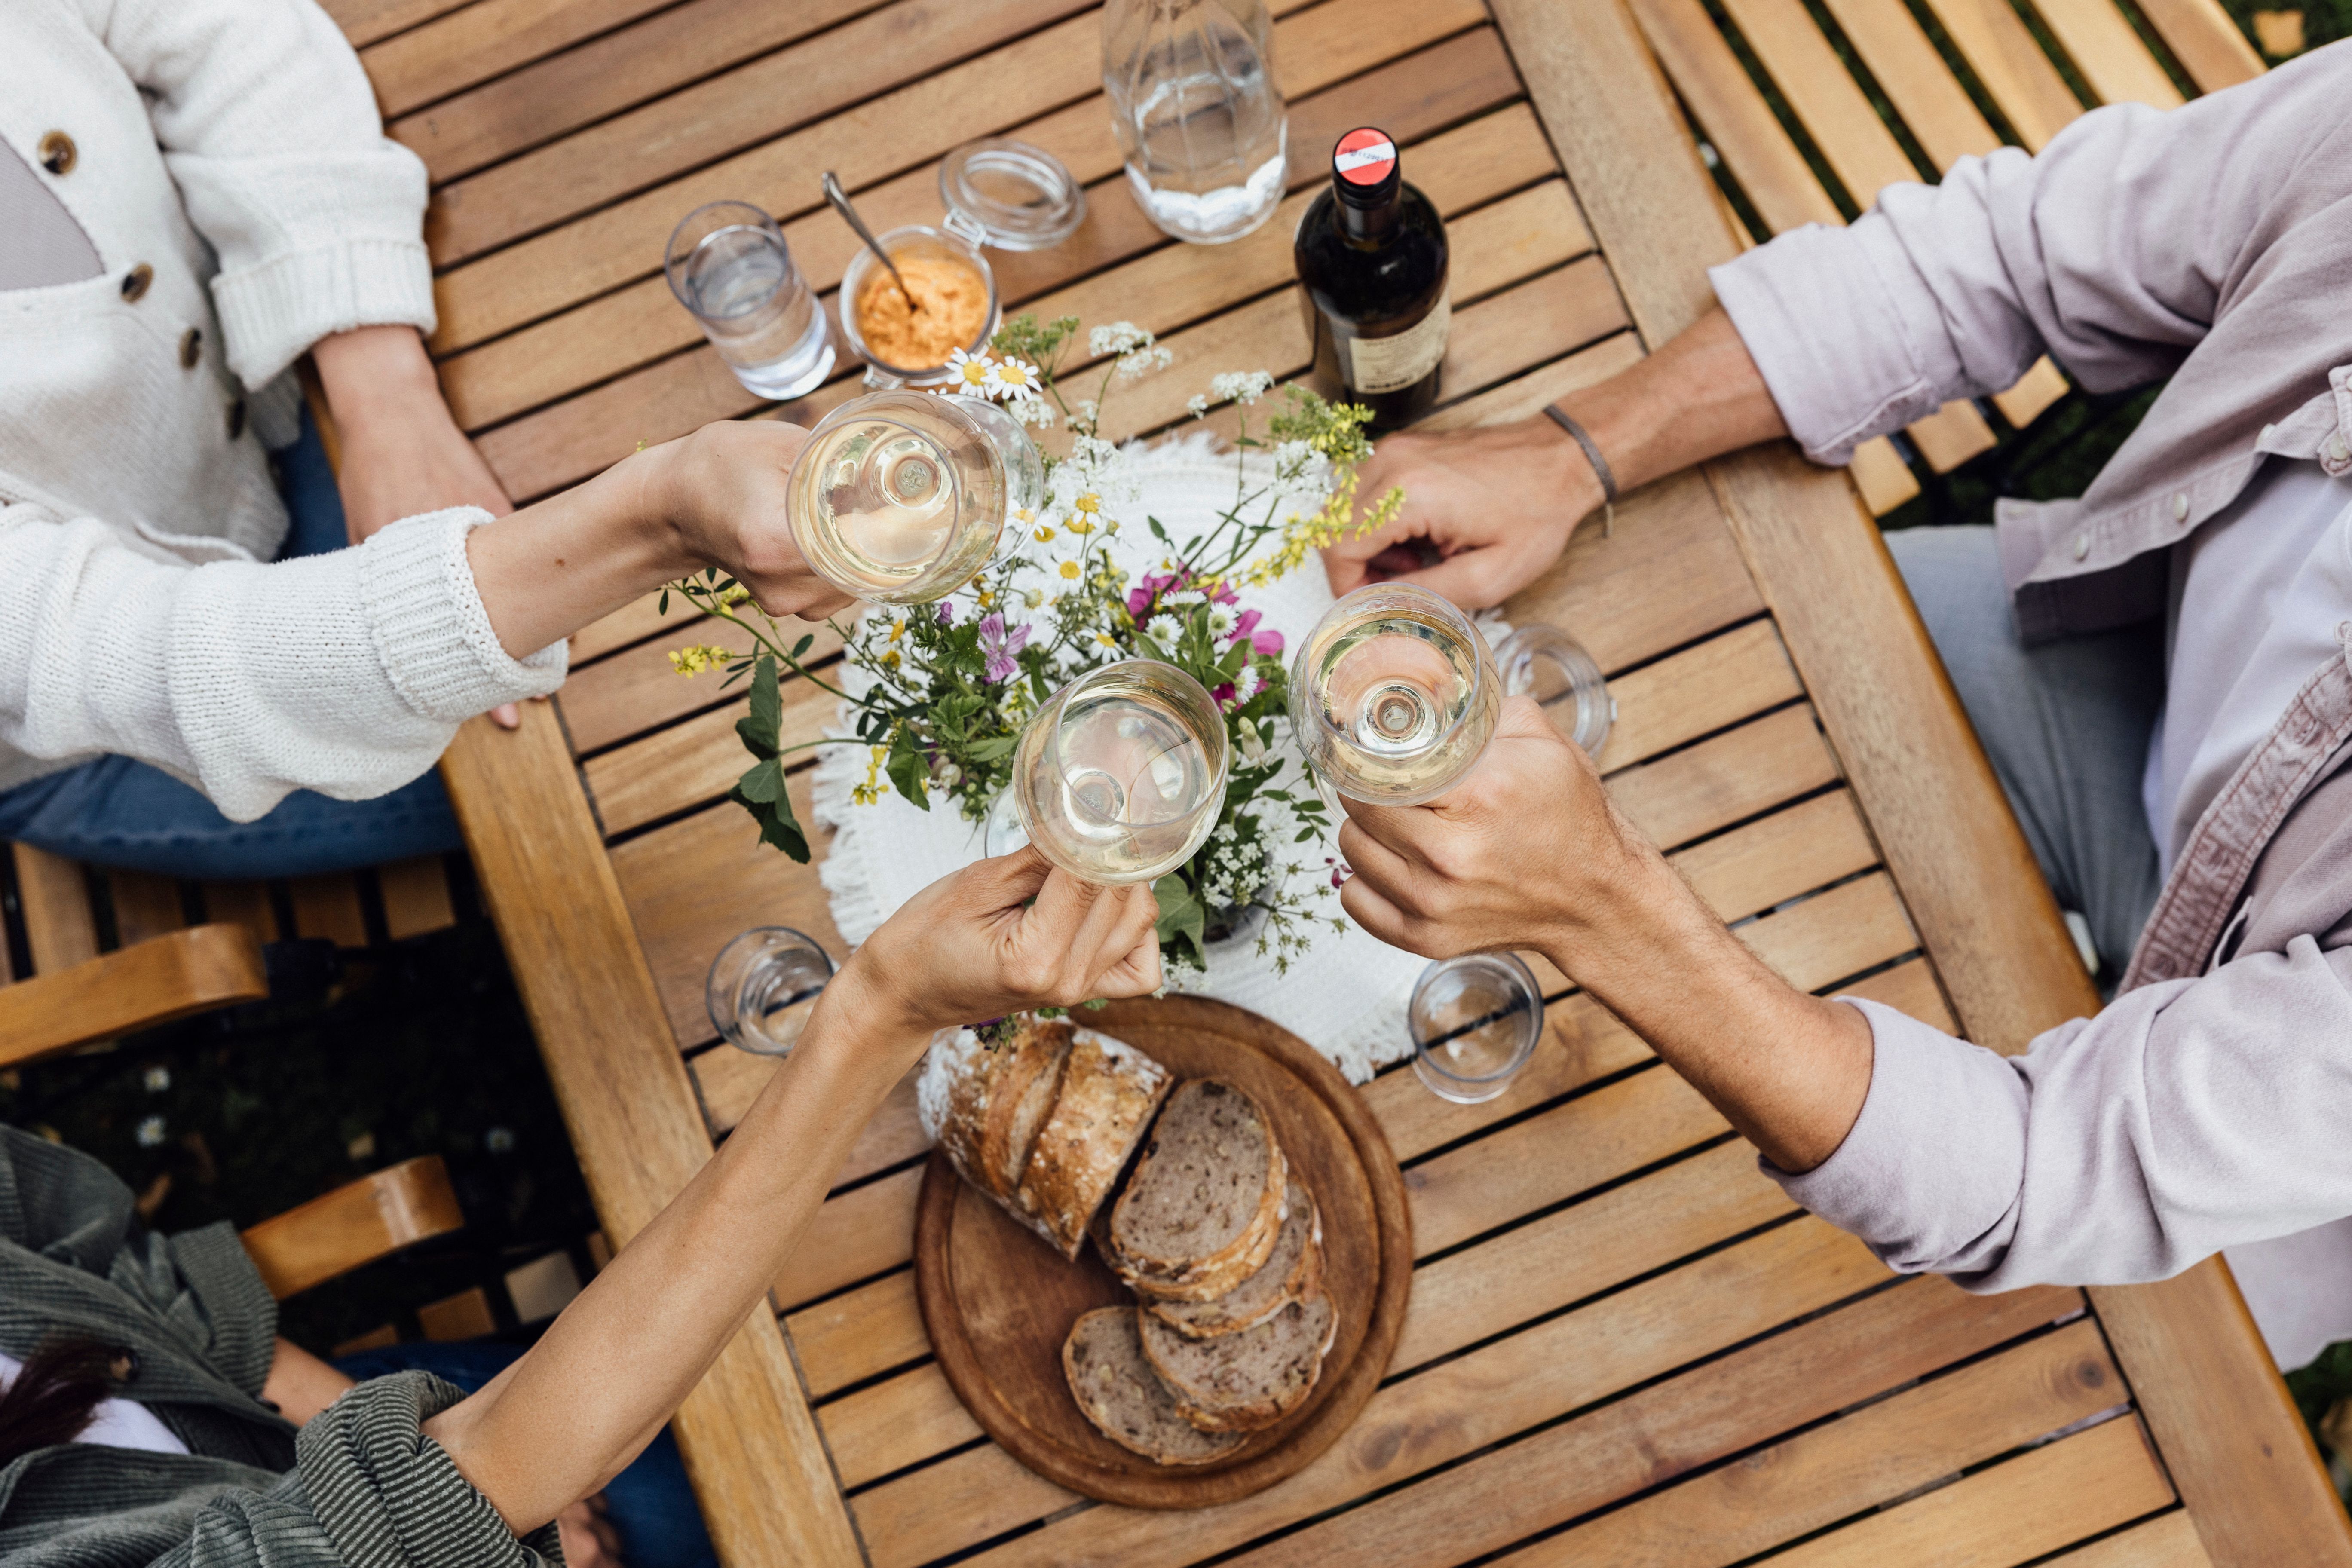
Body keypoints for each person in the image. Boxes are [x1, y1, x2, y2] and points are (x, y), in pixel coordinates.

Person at [1325, 42, 2352, 1364]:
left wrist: (1602, 907)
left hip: (2241, 1197)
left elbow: (2046, 1173)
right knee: (1664, 639)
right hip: (2122, 661)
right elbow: (2012, 253)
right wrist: (1575, 450)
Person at [0, 847, 1164, 1565]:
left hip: (318, 1454)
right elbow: (456, 1501)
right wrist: (879, 1013)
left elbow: (95, 1276)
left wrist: (366, 1433)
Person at [0, 0, 717, 880]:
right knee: (654, 739)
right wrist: (656, 526)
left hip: (276, 381)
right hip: (113, 733)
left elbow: (218, 24)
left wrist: (384, 387)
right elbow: (151, 665)